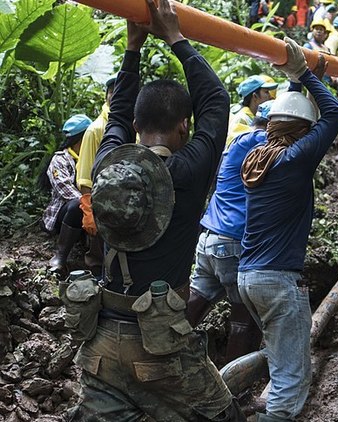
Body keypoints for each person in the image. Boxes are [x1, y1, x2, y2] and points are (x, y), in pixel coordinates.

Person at [68, 0, 243, 419]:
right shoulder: (188, 169)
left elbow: (116, 117)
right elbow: (217, 104)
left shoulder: (106, 160)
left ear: (133, 126)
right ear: (185, 126)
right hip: (162, 348)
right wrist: (175, 37)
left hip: (102, 341)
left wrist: (133, 48)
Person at [237, 37, 338, 421]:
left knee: (277, 353)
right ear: (303, 132)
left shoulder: (257, 155)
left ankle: (228, 398)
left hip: (248, 276)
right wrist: (301, 73)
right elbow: (335, 114)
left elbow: (286, 120)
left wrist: (298, 83)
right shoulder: (295, 159)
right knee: (292, 375)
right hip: (277, 281)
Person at [186, 102, 275, 364]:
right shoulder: (261, 142)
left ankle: (159, 354)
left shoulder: (237, 141)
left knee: (196, 300)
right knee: (245, 315)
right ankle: (236, 386)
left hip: (209, 238)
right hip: (233, 240)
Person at [39, 114, 92, 275]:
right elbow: (66, 190)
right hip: (65, 214)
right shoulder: (61, 160)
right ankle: (61, 256)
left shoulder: (92, 157)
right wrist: (90, 205)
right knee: (77, 205)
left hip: (90, 209)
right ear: (81, 139)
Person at [76, 77, 115, 274]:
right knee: (98, 259)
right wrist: (89, 211)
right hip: (101, 204)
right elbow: (85, 178)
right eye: (113, 91)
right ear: (107, 95)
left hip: (126, 206)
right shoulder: (96, 130)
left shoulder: (136, 126)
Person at [227, 74, 278, 144]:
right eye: (266, 92)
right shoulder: (242, 119)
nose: (269, 96)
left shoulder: (253, 116)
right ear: (255, 96)